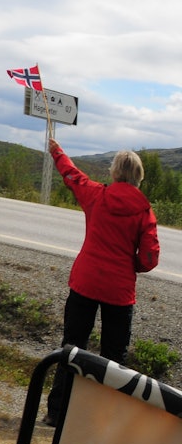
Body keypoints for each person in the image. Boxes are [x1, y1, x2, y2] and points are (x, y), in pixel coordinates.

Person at [45, 141, 160, 426]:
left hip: (86, 281)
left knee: (72, 347)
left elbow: (72, 176)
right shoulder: (144, 211)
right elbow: (149, 257)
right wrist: (129, 265)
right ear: (139, 176)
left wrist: (57, 151)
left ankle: (57, 413)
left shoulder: (97, 195)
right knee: (114, 359)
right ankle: (100, 421)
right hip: (119, 291)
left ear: (115, 172)